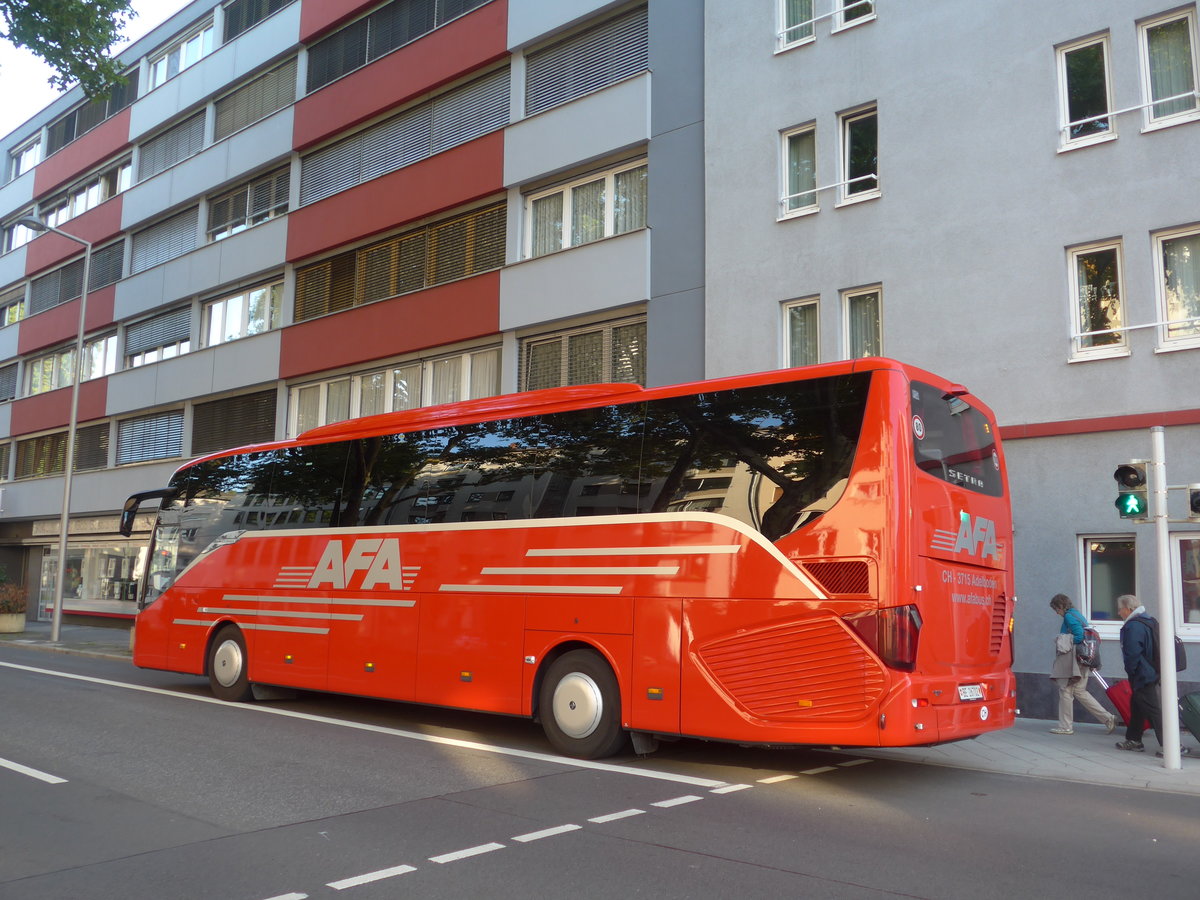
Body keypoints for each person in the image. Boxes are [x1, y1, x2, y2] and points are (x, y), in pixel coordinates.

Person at [1114, 593, 1190, 756]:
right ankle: (1134, 739)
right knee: (1137, 705)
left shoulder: (1133, 626)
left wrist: (1132, 671)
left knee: (1154, 709)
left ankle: (1173, 746)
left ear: (1128, 609)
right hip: (1153, 671)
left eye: (1120, 609)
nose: (1119, 613)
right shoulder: (1150, 621)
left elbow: (1132, 653)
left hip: (1142, 674)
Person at [1048, 593, 1115, 735]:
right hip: (1084, 659)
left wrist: (1063, 640)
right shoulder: (1077, 614)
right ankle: (1108, 718)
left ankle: (1065, 726)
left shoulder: (1068, 616)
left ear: (1061, 606)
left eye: (1056, 609)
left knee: (1065, 691)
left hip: (1073, 661)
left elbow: (1079, 636)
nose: (1056, 613)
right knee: (1080, 691)